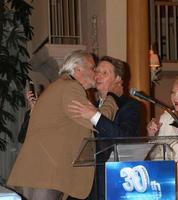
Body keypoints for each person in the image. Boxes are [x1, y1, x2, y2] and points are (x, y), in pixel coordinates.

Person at [7, 50, 119, 200]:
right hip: (45, 175)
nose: (96, 74)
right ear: (78, 69)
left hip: (41, 173)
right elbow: (96, 120)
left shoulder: (60, 86)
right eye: (93, 68)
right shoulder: (70, 87)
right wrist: (112, 96)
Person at [68, 56, 141, 199]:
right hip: (86, 183)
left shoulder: (130, 106)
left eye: (105, 73)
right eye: (97, 71)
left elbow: (124, 137)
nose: (98, 76)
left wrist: (95, 116)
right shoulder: (90, 105)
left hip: (115, 180)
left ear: (118, 79)